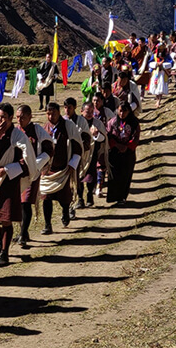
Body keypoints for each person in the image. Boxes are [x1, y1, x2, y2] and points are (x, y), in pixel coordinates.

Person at [0, 102, 36, 267]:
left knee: (6, 219)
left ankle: (4, 254)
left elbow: (27, 161)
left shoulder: (19, 136)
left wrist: (7, 168)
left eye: (3, 118)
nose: (0, 121)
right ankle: (0, 235)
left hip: (9, 181)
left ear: (11, 118)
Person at [39, 102, 82, 234]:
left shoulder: (69, 126)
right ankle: (47, 225)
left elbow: (78, 147)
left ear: (59, 113)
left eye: (53, 113)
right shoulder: (44, 128)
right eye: (48, 113)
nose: (51, 116)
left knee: (64, 199)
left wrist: (72, 165)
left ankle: (65, 211)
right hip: (48, 172)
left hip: (64, 169)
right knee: (46, 198)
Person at [14, 104, 52, 248]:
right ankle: (23, 231)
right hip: (16, 173)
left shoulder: (37, 130)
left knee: (26, 203)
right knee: (18, 203)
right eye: (17, 117)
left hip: (32, 173)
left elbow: (49, 149)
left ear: (30, 117)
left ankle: (23, 234)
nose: (20, 120)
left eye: (23, 117)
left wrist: (36, 165)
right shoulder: (15, 131)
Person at [106, 101, 141, 207]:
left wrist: (126, 146)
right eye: (120, 111)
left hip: (128, 154)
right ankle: (113, 197)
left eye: (125, 111)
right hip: (114, 153)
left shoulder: (134, 123)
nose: (122, 114)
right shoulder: (112, 122)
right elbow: (108, 135)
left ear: (129, 111)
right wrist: (116, 145)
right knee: (114, 175)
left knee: (125, 175)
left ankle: (122, 197)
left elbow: (136, 137)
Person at [76, 99, 108, 209]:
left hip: (92, 154)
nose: (89, 114)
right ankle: (80, 198)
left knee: (90, 176)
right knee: (78, 177)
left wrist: (96, 135)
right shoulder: (77, 123)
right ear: (81, 111)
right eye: (87, 111)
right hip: (79, 155)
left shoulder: (97, 123)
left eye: (91, 112)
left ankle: (90, 195)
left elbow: (103, 138)